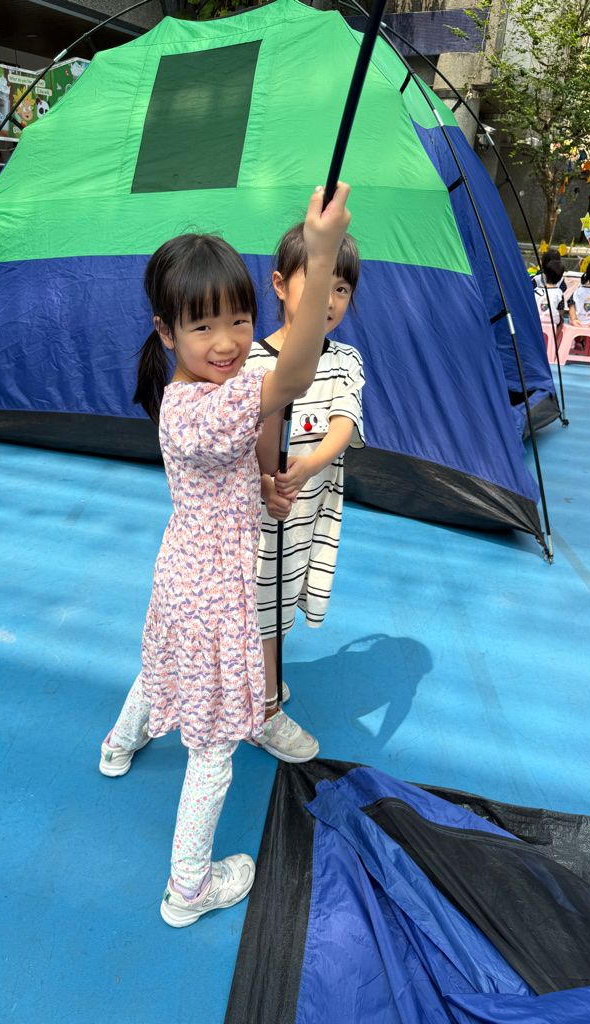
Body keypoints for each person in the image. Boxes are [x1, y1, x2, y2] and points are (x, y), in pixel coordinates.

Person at [98, 182, 352, 928]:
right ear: (166, 331)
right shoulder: (203, 407)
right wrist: (321, 252)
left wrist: (267, 484)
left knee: (160, 666)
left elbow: (259, 432)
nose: (229, 341)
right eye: (204, 325)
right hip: (216, 594)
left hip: (181, 574)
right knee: (213, 748)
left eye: (240, 320)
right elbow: (293, 375)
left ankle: (118, 744)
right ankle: (188, 887)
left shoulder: (205, 389)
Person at [243, 224, 364, 756]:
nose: (329, 299)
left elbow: (344, 424)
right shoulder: (250, 362)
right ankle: (264, 710)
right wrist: (267, 480)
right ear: (279, 284)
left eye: (341, 288)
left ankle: (261, 680)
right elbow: (241, 447)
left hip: (309, 516)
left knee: (281, 607)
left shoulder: (345, 360)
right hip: (258, 522)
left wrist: (306, 466)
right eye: (316, 283)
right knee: (261, 610)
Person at [533, 259, 565, 326]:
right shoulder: (559, 292)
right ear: (560, 278)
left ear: (545, 275)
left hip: (536, 320)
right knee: (561, 321)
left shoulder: (536, 290)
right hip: (553, 321)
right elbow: (561, 310)